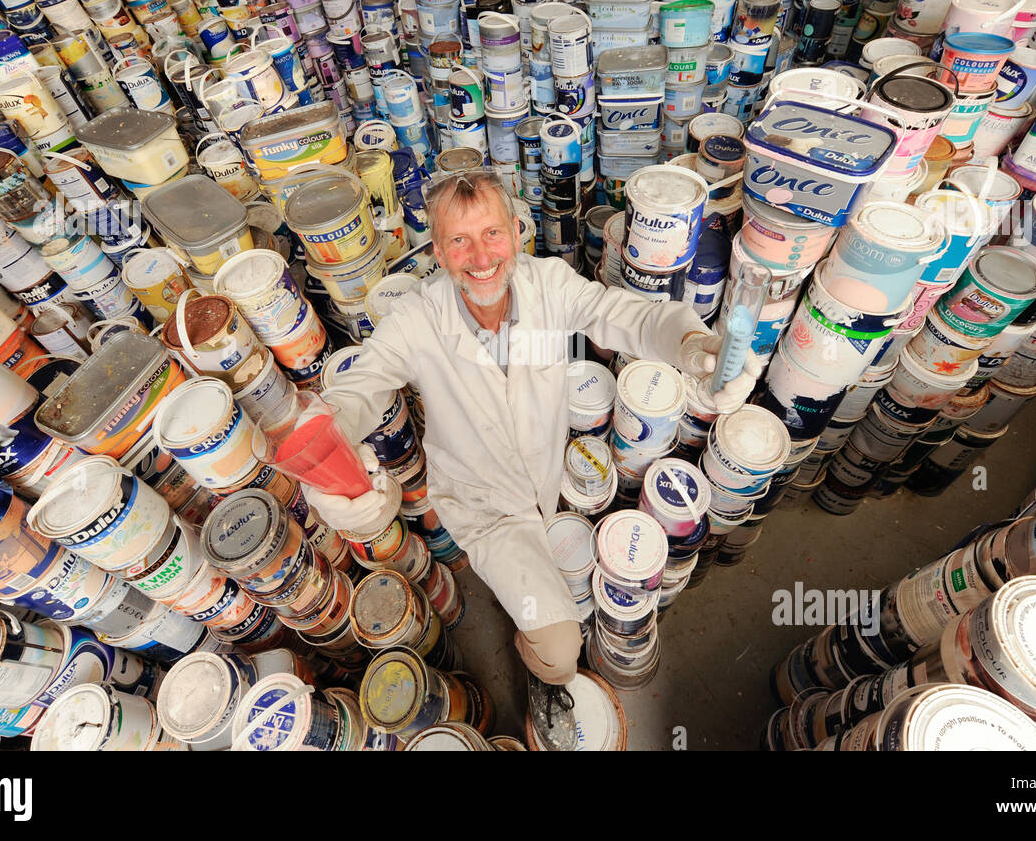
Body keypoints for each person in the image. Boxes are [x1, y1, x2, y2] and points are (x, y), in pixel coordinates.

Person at [299, 169, 761, 749]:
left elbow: (629, 316)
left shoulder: (549, 286)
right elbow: (358, 390)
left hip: (546, 480)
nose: (480, 256)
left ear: (517, 233)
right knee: (561, 648)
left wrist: (695, 347)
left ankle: (538, 607)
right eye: (459, 241)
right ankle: (540, 665)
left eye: (492, 233)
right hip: (486, 508)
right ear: (438, 252)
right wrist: (327, 451)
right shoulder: (418, 321)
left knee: (561, 576)